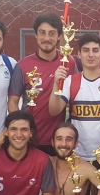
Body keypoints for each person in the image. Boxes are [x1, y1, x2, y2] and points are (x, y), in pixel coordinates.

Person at [49, 34, 100, 195]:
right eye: (86, 51)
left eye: (95, 50)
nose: (91, 54)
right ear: (79, 54)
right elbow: (54, 110)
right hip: (79, 154)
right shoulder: (72, 81)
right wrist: (56, 83)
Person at [8, 13, 77, 156]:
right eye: (42, 33)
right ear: (35, 35)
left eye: (52, 33)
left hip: (58, 142)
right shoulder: (23, 65)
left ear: (59, 36)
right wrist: (19, 129)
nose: (46, 38)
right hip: (29, 140)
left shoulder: (69, 63)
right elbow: (13, 102)